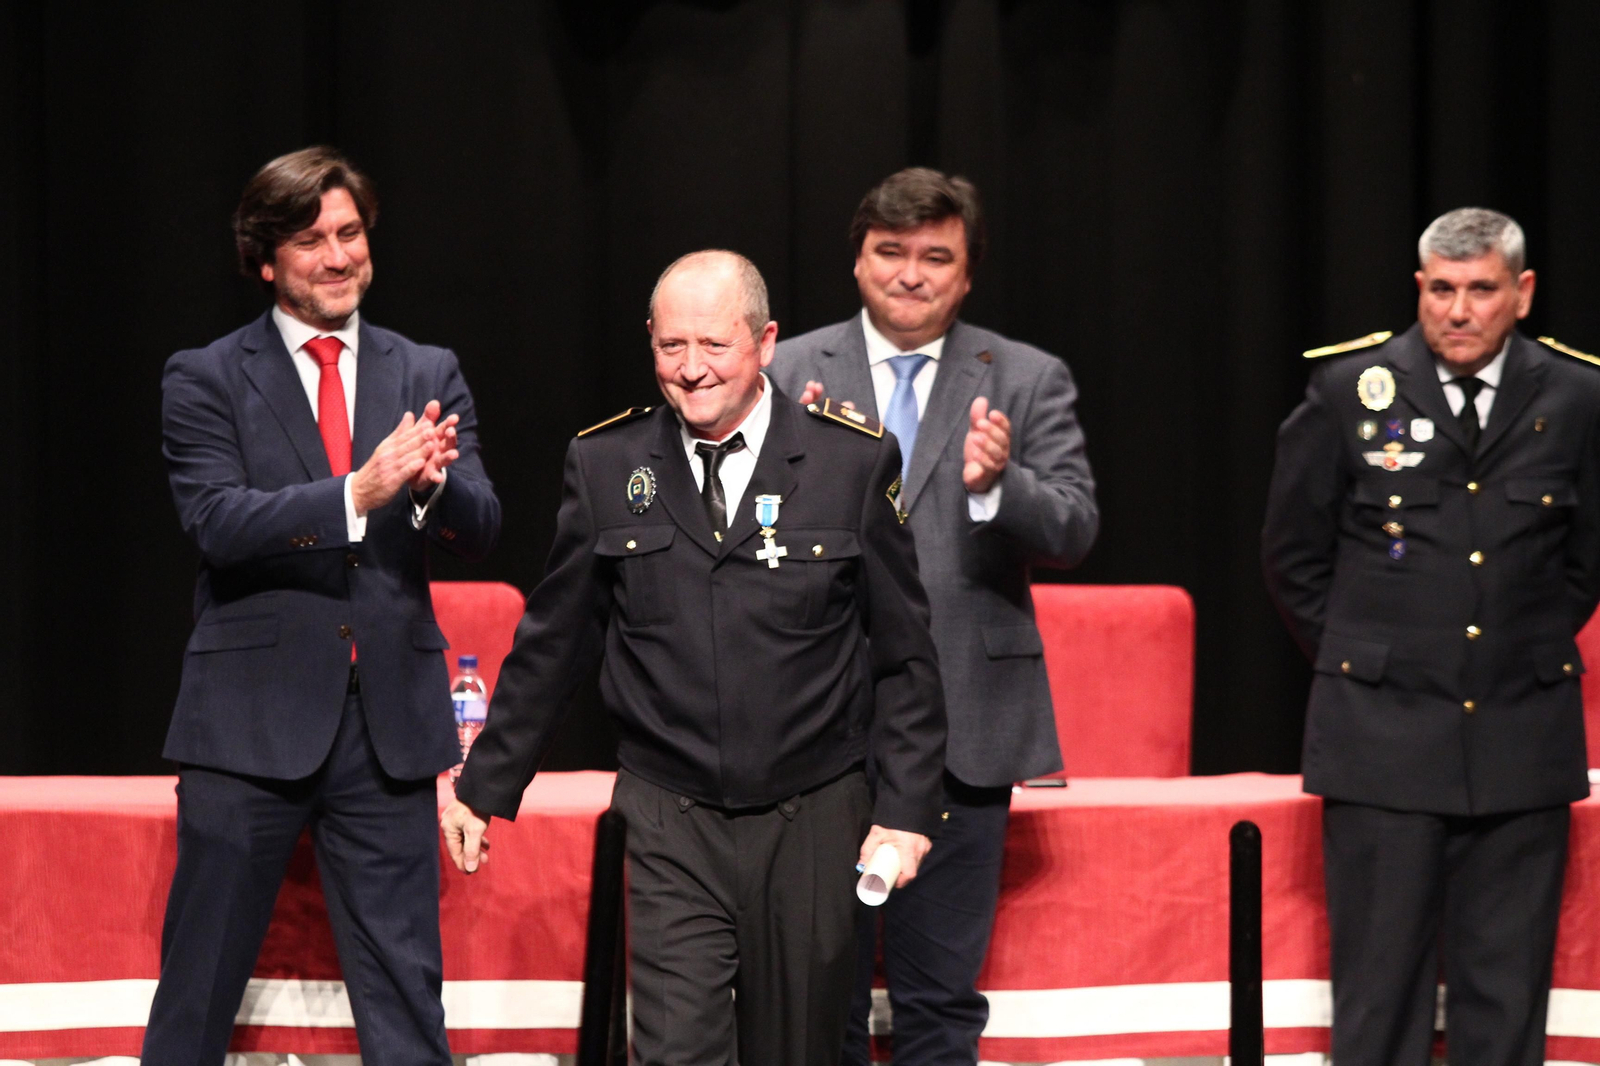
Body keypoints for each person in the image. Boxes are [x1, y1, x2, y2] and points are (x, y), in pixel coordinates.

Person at [440, 249, 947, 1066]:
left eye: (714, 345)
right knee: (675, 1053)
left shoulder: (852, 462)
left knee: (802, 1053)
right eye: (671, 346)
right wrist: (485, 782)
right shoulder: (606, 464)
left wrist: (908, 810)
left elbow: (906, 658)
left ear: (766, 342)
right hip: (668, 814)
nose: (691, 369)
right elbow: (555, 641)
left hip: (812, 816)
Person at [146, 146, 501, 1064]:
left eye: (351, 234)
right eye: (311, 240)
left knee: (404, 994)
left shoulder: (427, 367)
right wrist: (358, 491)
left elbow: (481, 526)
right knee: (199, 984)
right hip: (247, 725)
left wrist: (427, 486)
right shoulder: (206, 375)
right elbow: (216, 521)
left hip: (386, 726)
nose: (339, 256)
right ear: (266, 259)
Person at [769, 168, 1099, 1066]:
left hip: (966, 727)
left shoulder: (1026, 377)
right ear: (859, 259)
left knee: (940, 1001)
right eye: (890, 252)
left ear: (967, 272)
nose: (909, 274)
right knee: (817, 997)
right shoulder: (791, 368)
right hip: (816, 726)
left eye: (934, 257)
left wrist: (1001, 487)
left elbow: (1074, 526)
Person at [1263, 207, 1600, 1064]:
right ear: (1419, 288)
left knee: (1507, 997)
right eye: (1441, 290)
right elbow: (1294, 555)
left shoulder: (1575, 396)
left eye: (1480, 290)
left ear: (1521, 293)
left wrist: (1511, 648)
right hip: (1381, 737)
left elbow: (1586, 561)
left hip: (1522, 733)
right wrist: (1368, 660)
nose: (1458, 310)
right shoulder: (1349, 388)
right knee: (1379, 999)